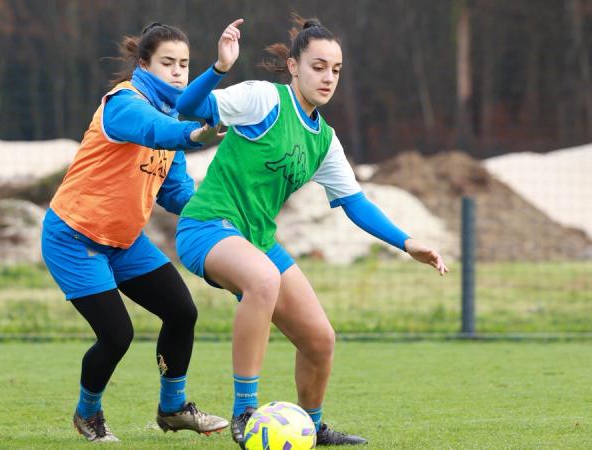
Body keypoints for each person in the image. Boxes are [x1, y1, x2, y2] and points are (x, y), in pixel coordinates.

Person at [175, 16, 449, 447]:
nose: (328, 77)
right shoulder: (263, 99)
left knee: (320, 339)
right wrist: (220, 67)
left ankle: (311, 425)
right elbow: (189, 107)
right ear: (294, 66)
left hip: (257, 241)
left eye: (336, 70)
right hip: (206, 226)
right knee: (262, 278)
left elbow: (355, 204)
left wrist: (408, 242)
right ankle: (245, 411)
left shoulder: (324, 141)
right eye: (318, 66)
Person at [41, 22, 229, 442]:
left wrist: (222, 213)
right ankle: (88, 414)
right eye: (168, 63)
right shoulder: (125, 103)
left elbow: (177, 191)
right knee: (117, 335)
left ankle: (173, 408)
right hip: (74, 238)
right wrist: (195, 133)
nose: (179, 72)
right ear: (143, 64)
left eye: (184, 64)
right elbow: (154, 131)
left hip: (124, 242)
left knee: (182, 312)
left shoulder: (172, 116)